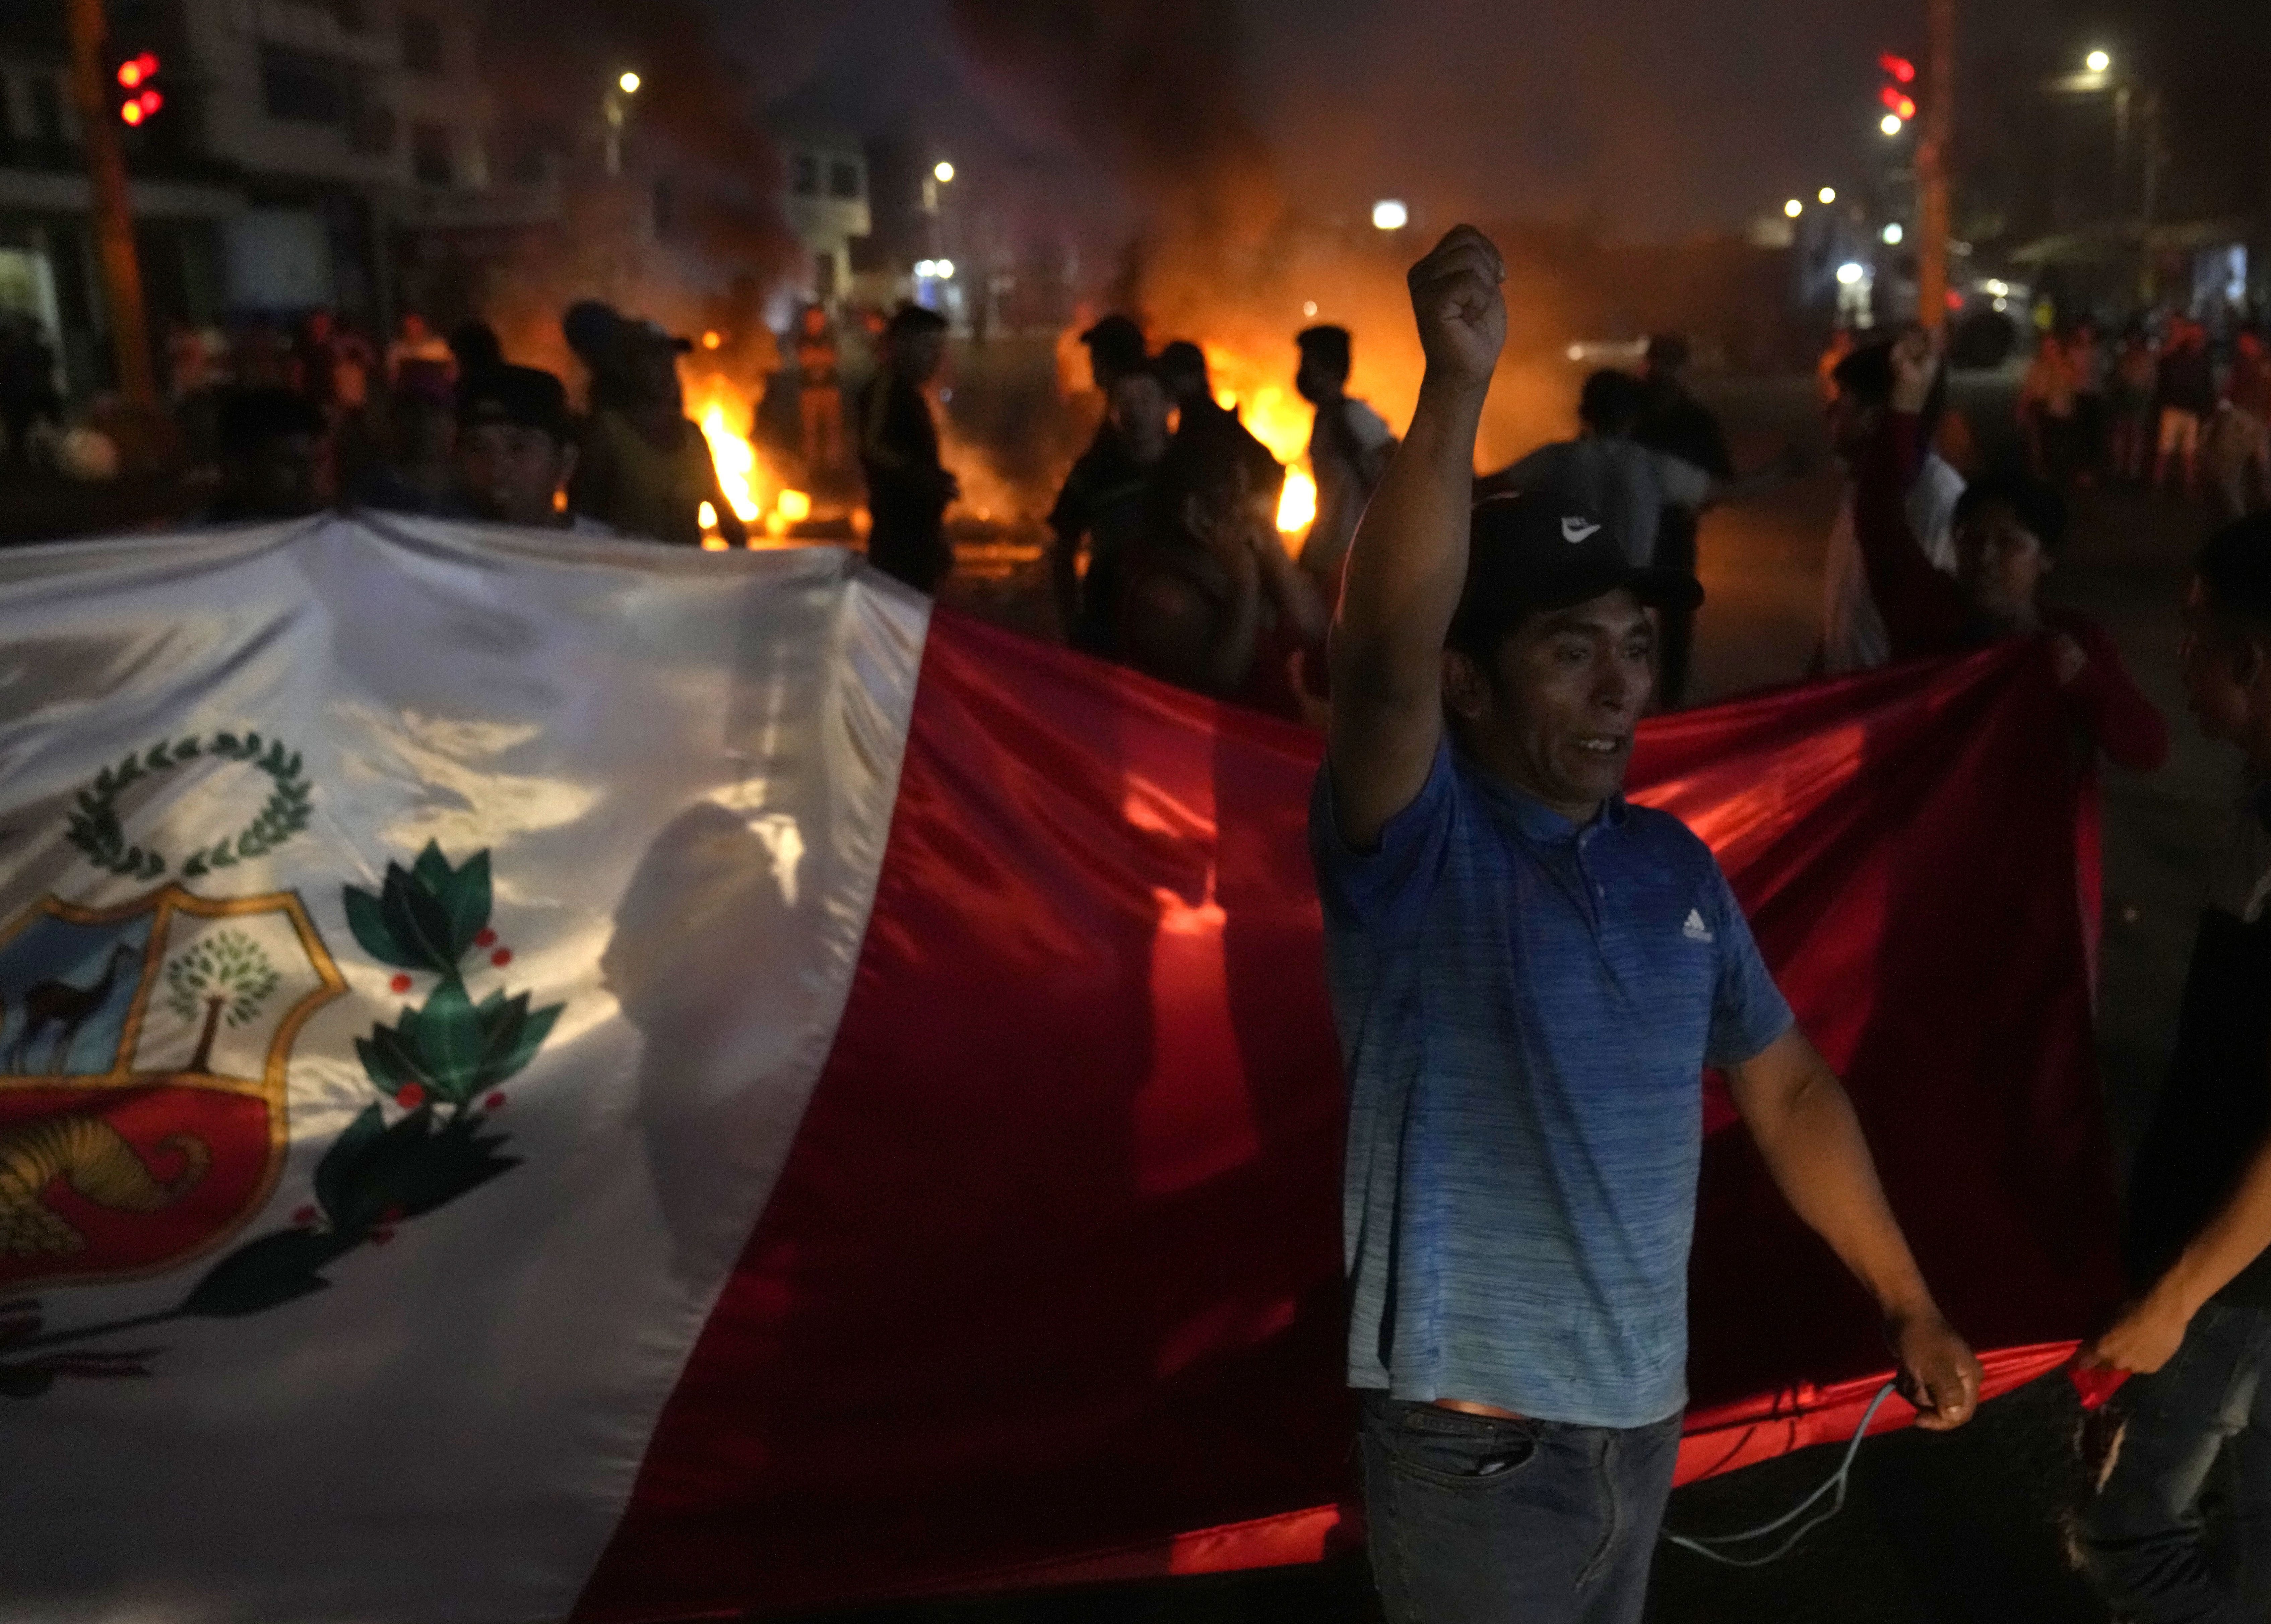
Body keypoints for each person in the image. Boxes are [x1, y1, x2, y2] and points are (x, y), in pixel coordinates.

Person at [1314, 225, 1982, 1624]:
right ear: (1470, 687)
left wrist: (1903, 1292)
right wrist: (1451, 387)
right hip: (1476, 1441)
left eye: (1631, 642)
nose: (1620, 683)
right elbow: (1376, 665)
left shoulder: (1673, 869)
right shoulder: (1418, 850)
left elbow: (1786, 1084)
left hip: (1638, 1417)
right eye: (1569, 648)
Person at [2076, 513, 2271, 1624]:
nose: (2177, 660)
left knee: (2128, 1526)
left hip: (2236, 1277)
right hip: (2231, 1262)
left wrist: (2173, 1297)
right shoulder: (2254, 796)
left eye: (2192, 636)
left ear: (2248, 657)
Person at [1851, 329, 2168, 775]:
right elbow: (1878, 516)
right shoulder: (1926, 612)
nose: (1983, 558)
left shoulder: (2075, 643)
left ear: (2046, 559)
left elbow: (2147, 749)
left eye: (2008, 544)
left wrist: (2083, 682)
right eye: (1971, 539)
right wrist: (1905, 402)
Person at [1115, 432, 1328, 720]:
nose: (1249, 511)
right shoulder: (1163, 594)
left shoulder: (1248, 555)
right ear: (1196, 514)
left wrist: (1276, 555)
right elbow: (1221, 685)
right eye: (1237, 498)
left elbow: (1314, 629)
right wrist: (1245, 586)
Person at [1819, 337, 1966, 673]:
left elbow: (1938, 630)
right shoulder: (1861, 484)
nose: (1829, 415)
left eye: (1841, 403)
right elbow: (1848, 608)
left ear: (1873, 417)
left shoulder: (1937, 497)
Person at [567, 303, 745, 548]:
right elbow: (582, 522)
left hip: (684, 579)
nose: (667, 370)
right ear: (626, 371)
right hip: (629, 581)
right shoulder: (608, 434)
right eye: (652, 360)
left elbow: (727, 519)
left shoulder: (692, 436)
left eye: (669, 359)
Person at [1634, 335, 1735, 708]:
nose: (1660, 372)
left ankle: (1670, 713)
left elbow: (1721, 481)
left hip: (1674, 535)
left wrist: (1697, 502)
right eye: (1656, 362)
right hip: (1627, 542)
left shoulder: (1696, 421)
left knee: (1674, 631)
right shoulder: (1628, 414)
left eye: (1669, 364)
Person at [1047, 360, 1175, 651]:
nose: (1136, 411)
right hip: (1108, 619)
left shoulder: (1189, 468)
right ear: (1113, 411)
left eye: (1146, 399)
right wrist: (1073, 623)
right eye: (1125, 401)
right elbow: (1063, 549)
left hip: (1179, 623)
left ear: (1168, 405)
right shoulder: (1092, 473)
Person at [857, 303, 959, 593]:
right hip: (898, 538)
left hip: (917, 534)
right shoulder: (886, 389)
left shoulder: (908, 392)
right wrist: (923, 476)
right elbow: (873, 447)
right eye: (930, 347)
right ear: (904, 346)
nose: (937, 358)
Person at [1295, 323, 1397, 595]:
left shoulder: (1353, 415)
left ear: (1327, 368)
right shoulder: (1325, 418)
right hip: (1330, 554)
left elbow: (1397, 462)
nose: (1302, 372)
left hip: (1351, 558)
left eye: (1308, 362)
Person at [455, 364, 611, 534]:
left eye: (519, 448)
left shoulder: (605, 551)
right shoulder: (439, 545)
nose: (497, 467)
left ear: (565, 463)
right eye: (478, 448)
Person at [1156, 338, 1284, 525]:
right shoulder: (1200, 420)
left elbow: (1267, 467)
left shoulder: (1206, 422)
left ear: (1191, 377)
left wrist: (1249, 515)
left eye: (1174, 375)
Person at [204, 386, 332, 522]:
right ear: (237, 468)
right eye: (291, 463)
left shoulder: (340, 533)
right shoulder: (199, 539)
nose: (310, 474)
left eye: (317, 461)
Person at [2156, 319, 2218, 499]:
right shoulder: (2177, 353)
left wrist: (2208, 408)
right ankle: (2158, 484)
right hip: (2174, 407)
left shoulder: (2204, 358)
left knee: (2189, 451)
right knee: (2165, 449)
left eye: (2200, 334)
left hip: (2192, 410)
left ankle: (2188, 486)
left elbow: (2208, 385)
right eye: (2194, 333)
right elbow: (2163, 364)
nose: (2197, 337)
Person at [793, 304, 846, 478]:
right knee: (810, 431)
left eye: (818, 318)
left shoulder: (830, 337)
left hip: (830, 390)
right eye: (811, 318)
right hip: (809, 392)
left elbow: (833, 357)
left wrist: (816, 356)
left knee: (833, 430)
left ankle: (834, 469)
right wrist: (821, 356)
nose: (815, 322)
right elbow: (805, 359)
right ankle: (812, 469)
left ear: (823, 320)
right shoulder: (803, 338)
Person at [2019, 330, 2078, 484]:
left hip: (2061, 412)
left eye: (2053, 346)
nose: (2049, 350)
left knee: (2060, 445)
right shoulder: (2038, 366)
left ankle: (2060, 476)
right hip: (2041, 410)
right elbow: (2030, 389)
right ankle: (2042, 476)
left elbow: (2071, 386)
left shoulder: (2065, 365)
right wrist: (2022, 407)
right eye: (2046, 346)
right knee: (2040, 445)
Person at [2112, 325, 2160, 483]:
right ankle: (2119, 469)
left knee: (2136, 437)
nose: (2134, 343)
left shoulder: (2147, 359)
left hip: (2139, 402)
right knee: (2122, 436)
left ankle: (2132, 471)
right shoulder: (2124, 358)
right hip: (2124, 401)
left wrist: (2146, 400)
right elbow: (2118, 381)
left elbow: (2151, 383)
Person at [386, 311, 455, 395]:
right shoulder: (398, 350)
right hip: (408, 394)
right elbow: (393, 375)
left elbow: (452, 369)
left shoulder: (438, 346)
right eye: (409, 326)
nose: (413, 329)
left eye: (416, 324)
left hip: (436, 393)